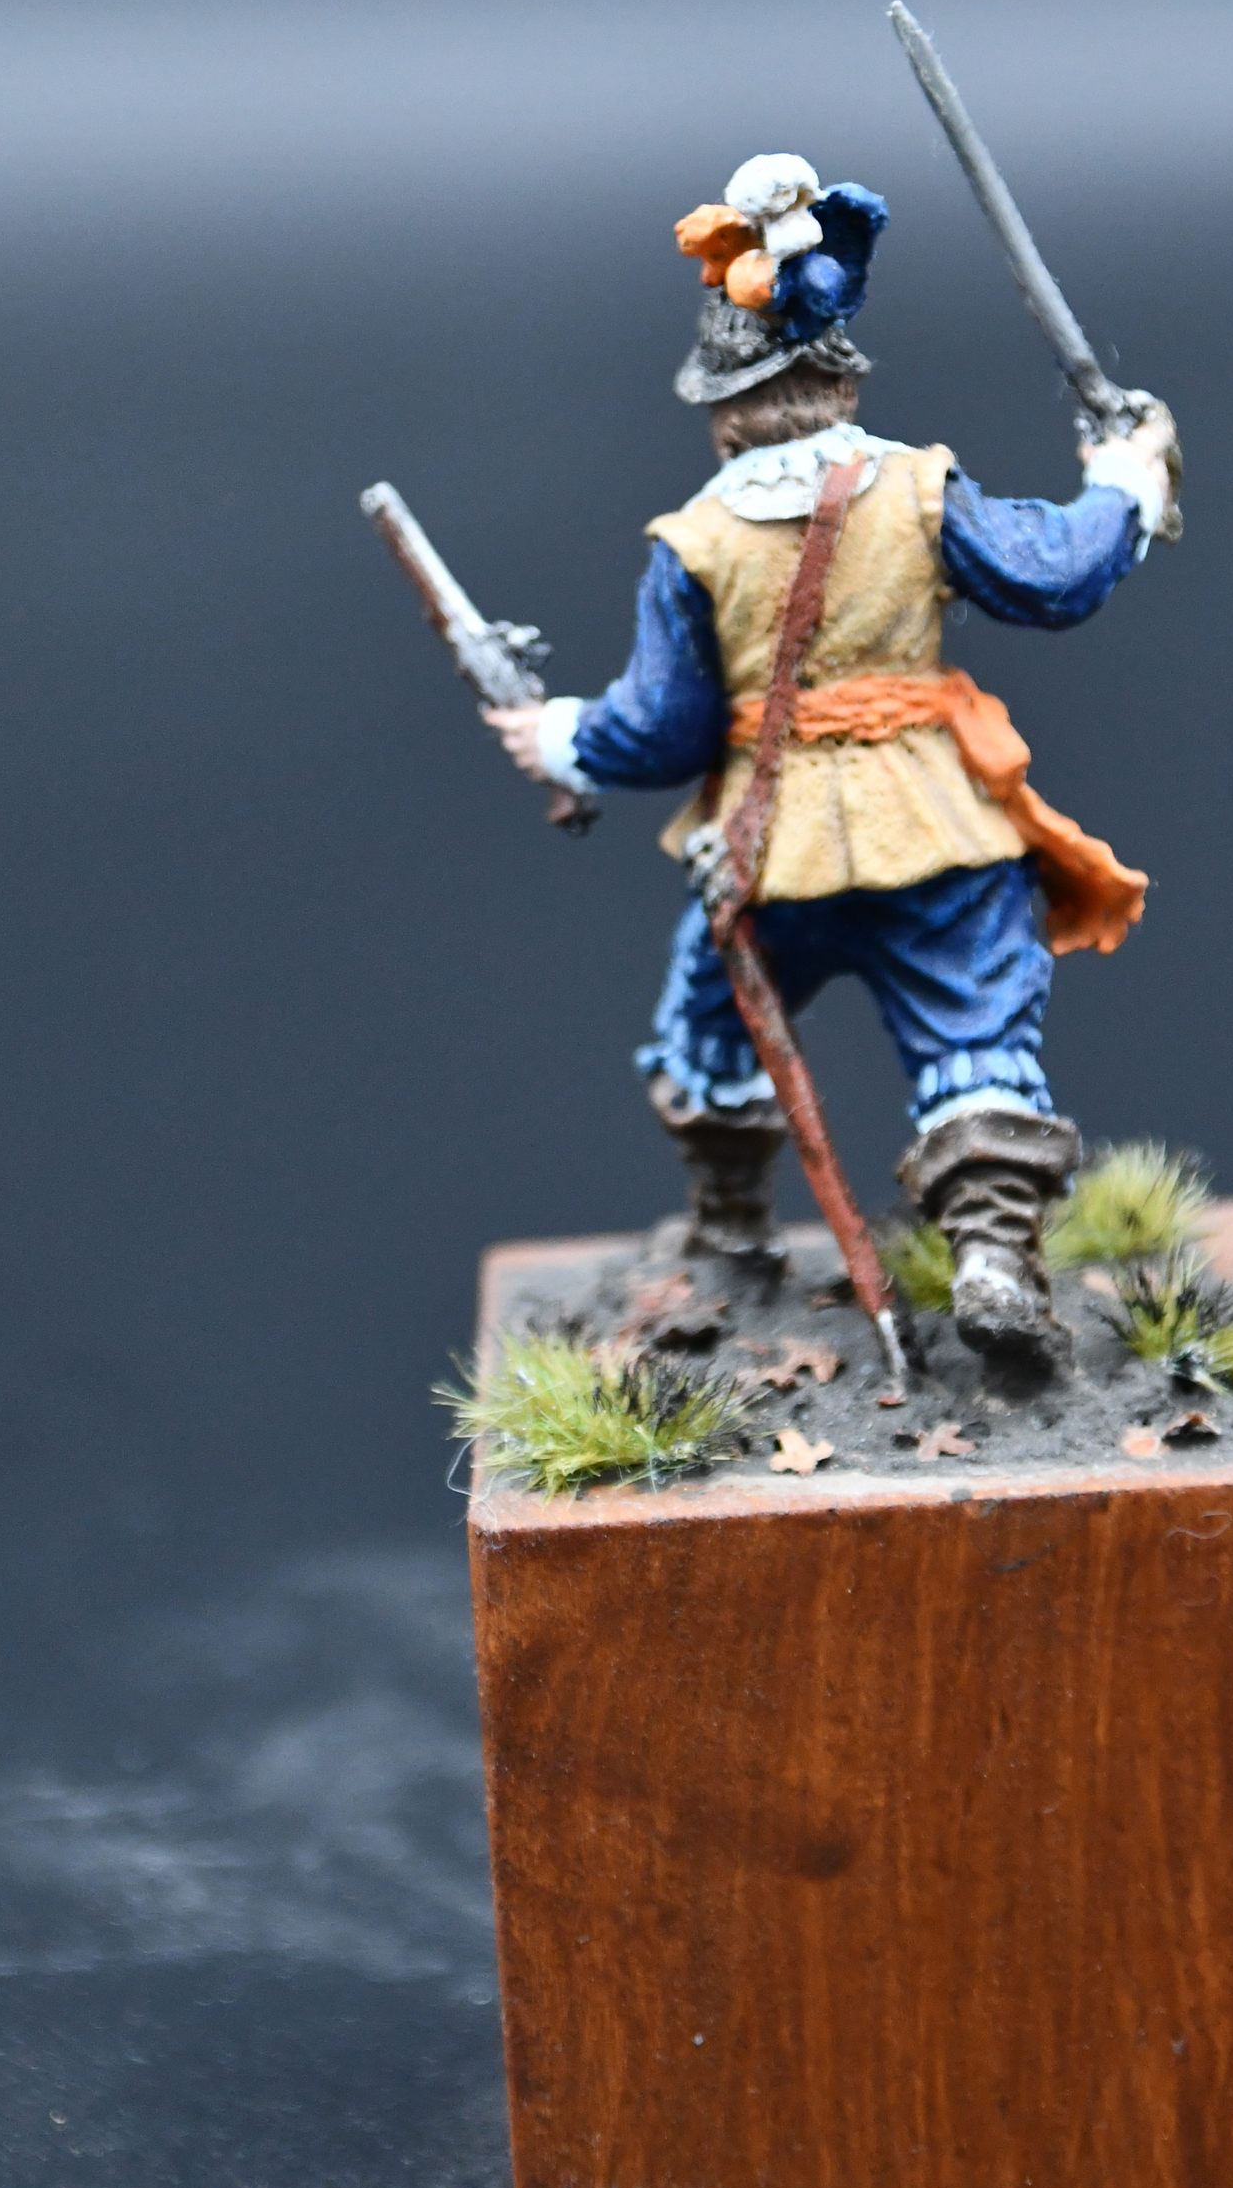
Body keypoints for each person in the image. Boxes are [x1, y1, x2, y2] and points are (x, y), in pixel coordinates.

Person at [487, 153, 1180, 1367]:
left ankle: (729, 1231)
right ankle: (991, 1252)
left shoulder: (696, 542)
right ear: (839, 376)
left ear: (725, 408)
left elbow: (662, 730)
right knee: (975, 1032)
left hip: (770, 849)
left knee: (716, 1030)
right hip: (937, 825)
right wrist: (1123, 476)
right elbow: (1056, 575)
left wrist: (557, 736)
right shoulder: (917, 490)